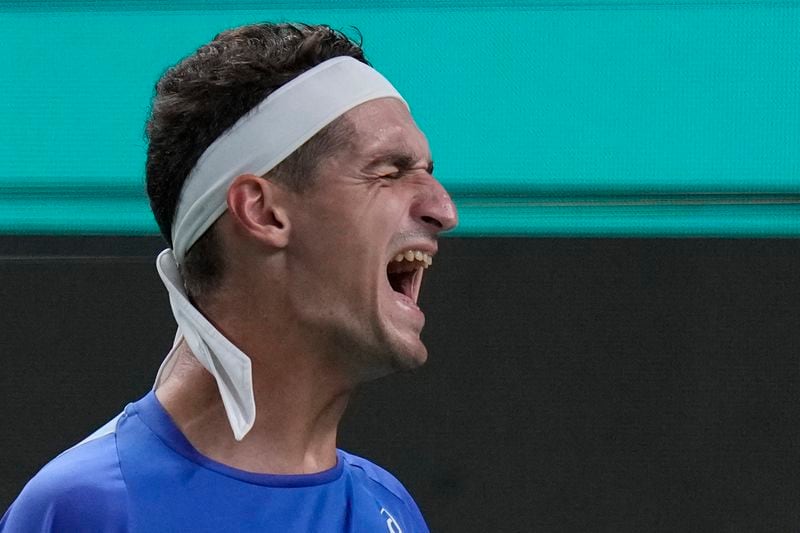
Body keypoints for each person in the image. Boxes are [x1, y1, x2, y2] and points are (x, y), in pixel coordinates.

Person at [1, 22, 457, 532]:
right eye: (389, 172)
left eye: (428, 173)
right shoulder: (87, 509)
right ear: (262, 212)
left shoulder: (389, 510)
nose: (443, 208)